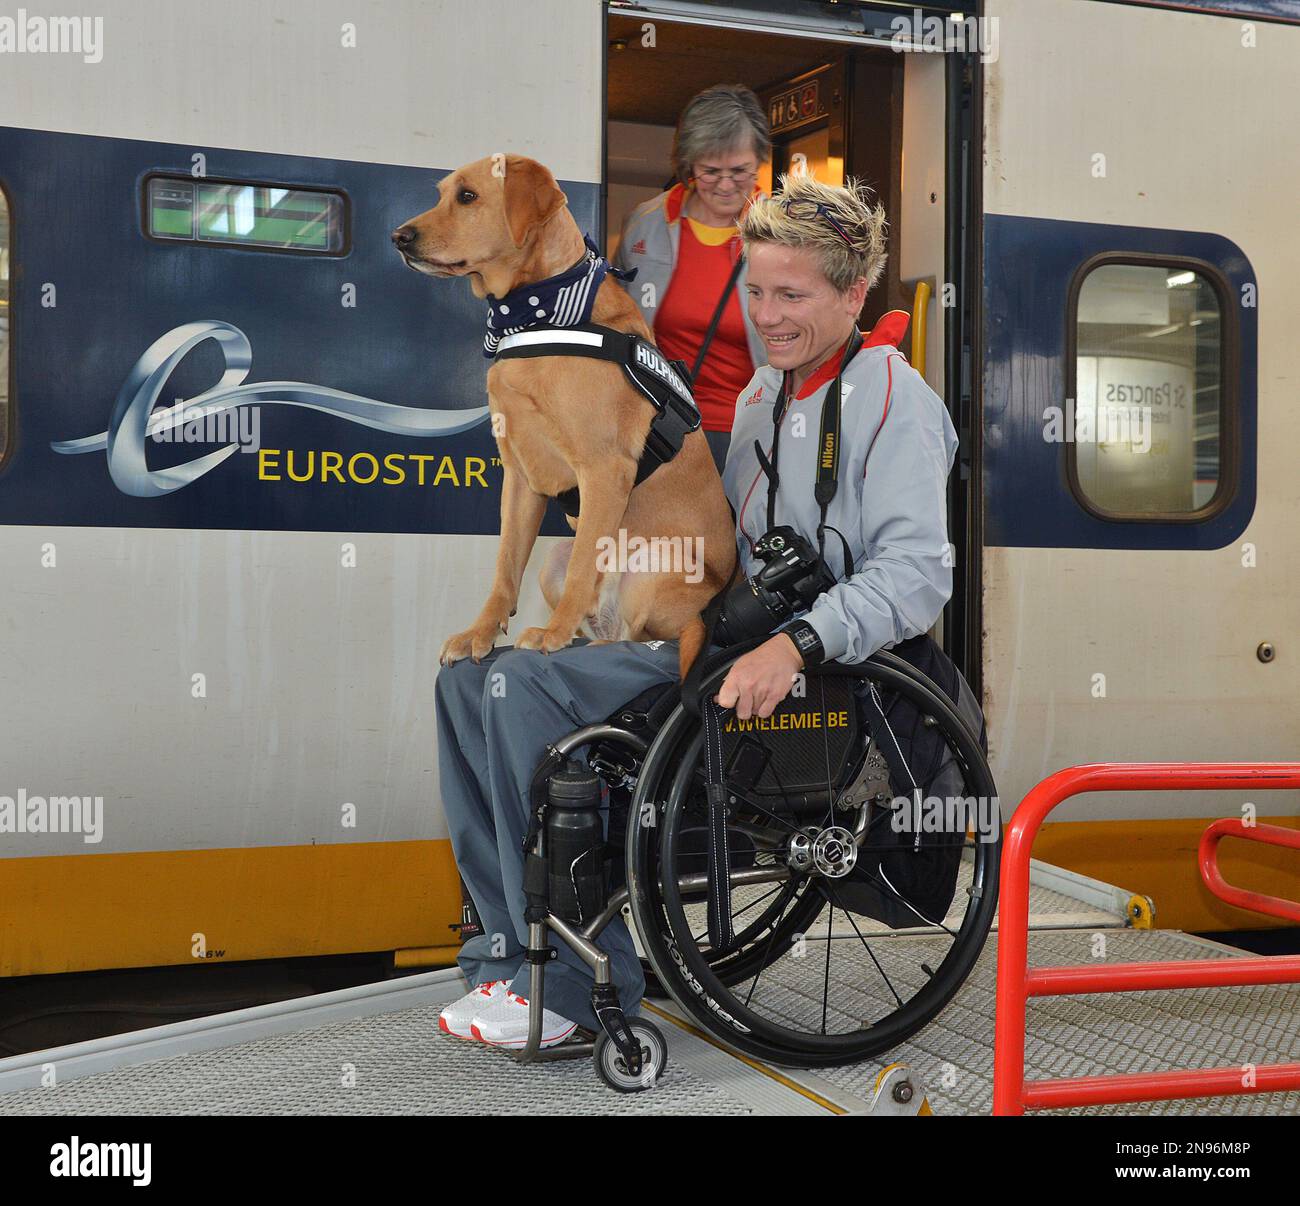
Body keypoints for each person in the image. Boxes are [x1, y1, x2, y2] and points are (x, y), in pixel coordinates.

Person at [433, 172, 966, 1049]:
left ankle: (569, 985)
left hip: (819, 676)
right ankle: (503, 958)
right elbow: (711, 536)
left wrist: (795, 646)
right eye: (754, 291)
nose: (768, 314)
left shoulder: (894, 402)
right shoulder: (761, 398)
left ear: (853, 292)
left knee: (516, 691)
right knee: (467, 680)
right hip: (724, 639)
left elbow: (915, 577)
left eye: (792, 294)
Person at [613, 84, 770, 473]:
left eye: (740, 171)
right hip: (664, 432)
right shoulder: (645, 225)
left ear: (759, 162)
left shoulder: (784, 233)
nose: (726, 184)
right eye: (710, 171)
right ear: (688, 165)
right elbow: (616, 322)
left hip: (753, 436)